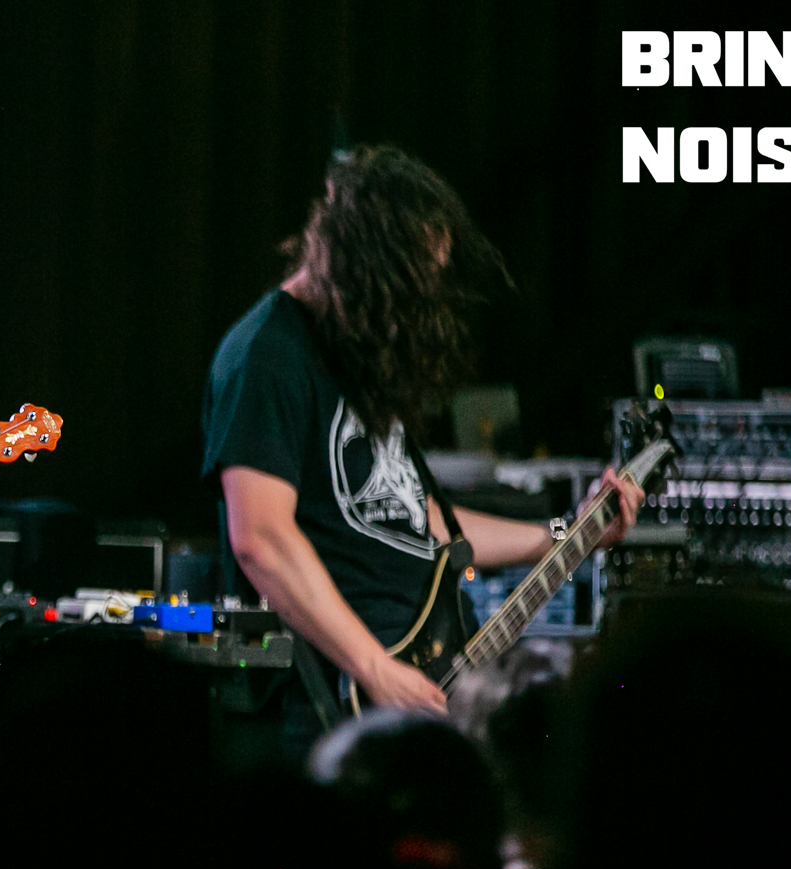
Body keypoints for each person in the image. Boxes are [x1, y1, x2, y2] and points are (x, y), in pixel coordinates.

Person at [202, 146, 644, 752]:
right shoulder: (267, 355)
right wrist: (373, 666)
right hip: (328, 706)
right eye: (409, 283)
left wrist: (570, 532)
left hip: (414, 685)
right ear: (364, 264)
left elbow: (424, 523)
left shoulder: (356, 361)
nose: (419, 303)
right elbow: (261, 538)